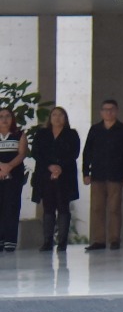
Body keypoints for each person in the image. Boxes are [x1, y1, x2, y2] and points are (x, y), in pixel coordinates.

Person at [81, 98, 123, 250]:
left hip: (116, 175)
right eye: (105, 109)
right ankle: (99, 240)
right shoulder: (95, 129)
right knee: (97, 208)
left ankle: (114, 239)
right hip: (97, 174)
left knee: (114, 208)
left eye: (111, 109)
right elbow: (87, 152)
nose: (108, 112)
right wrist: (86, 172)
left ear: (116, 111)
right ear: (101, 112)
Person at [30, 106, 78, 252]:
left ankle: (62, 242)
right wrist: (50, 166)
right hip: (45, 174)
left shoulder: (71, 134)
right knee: (48, 207)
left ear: (65, 118)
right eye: (54, 115)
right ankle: (47, 241)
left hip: (65, 174)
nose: (57, 118)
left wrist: (59, 167)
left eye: (61, 115)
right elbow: (36, 153)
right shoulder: (42, 134)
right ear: (50, 118)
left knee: (63, 207)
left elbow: (74, 153)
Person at [0, 107, 27, 252]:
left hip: (14, 175)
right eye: (1, 116)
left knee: (11, 206)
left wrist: (8, 167)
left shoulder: (19, 134)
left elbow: (22, 154)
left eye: (7, 116)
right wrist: (1, 168)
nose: (4, 119)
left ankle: (10, 240)